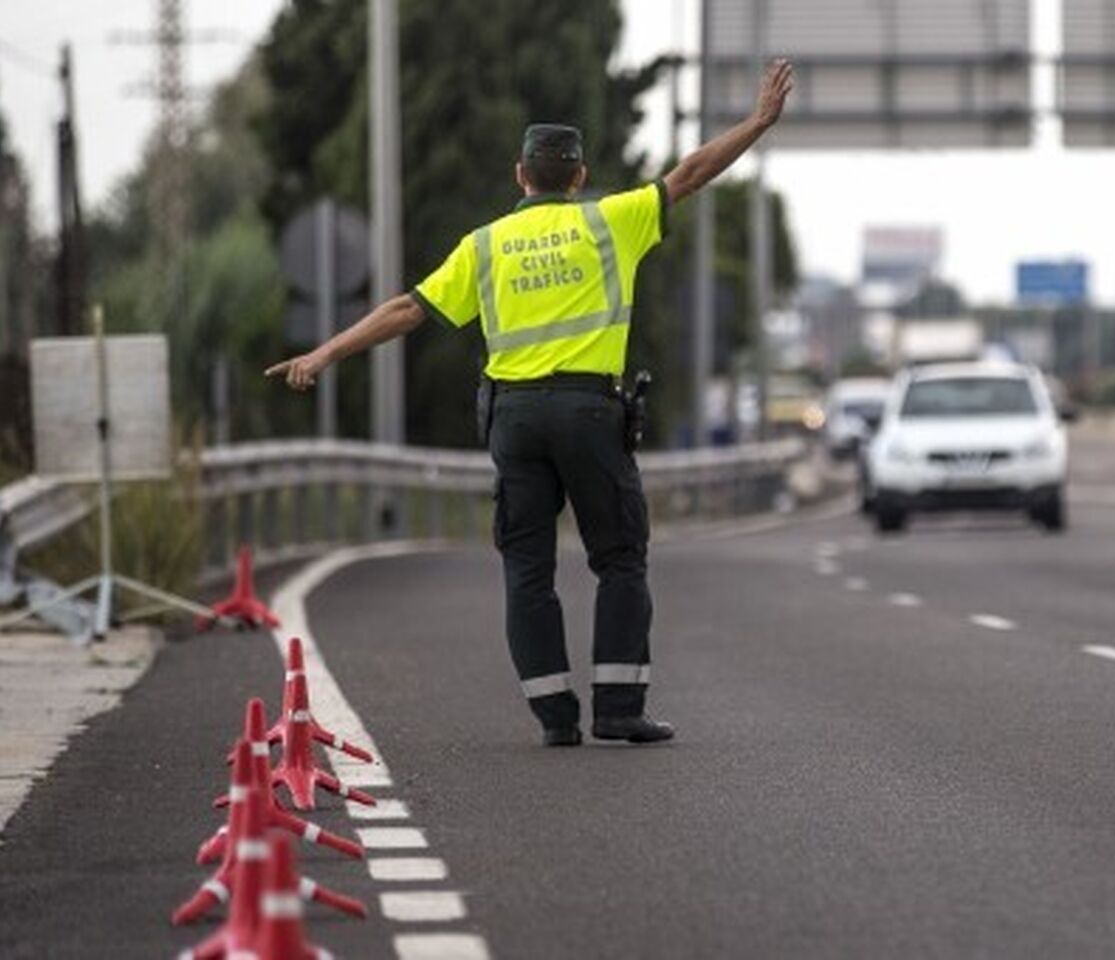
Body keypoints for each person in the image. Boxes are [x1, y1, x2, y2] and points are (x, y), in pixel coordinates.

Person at [267, 59, 796, 747]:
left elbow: (406, 309)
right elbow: (691, 173)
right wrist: (758, 121)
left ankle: (555, 718)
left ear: (521, 175)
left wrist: (323, 354)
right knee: (619, 559)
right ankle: (617, 708)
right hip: (589, 414)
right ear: (579, 176)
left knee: (527, 570)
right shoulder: (612, 221)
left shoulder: (484, 245)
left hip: (514, 420)